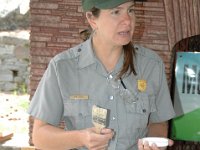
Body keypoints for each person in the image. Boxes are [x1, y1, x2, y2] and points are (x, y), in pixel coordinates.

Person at [28, 0, 176, 149]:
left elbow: (159, 122)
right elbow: (40, 136)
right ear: (92, 19)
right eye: (116, 12)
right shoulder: (62, 67)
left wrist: (152, 143)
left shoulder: (151, 65)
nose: (128, 21)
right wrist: (81, 138)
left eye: (131, 10)